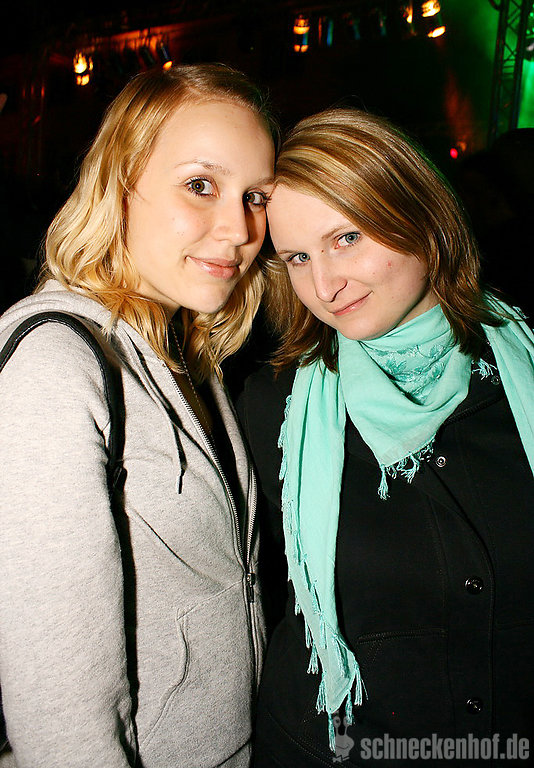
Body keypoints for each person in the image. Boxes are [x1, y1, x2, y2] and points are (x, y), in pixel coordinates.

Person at [0, 63, 276, 768]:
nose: (240, 229)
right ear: (118, 184)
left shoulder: (187, 350)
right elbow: (59, 709)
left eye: (256, 197)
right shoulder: (57, 365)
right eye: (200, 185)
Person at [238, 108, 534, 766]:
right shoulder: (273, 409)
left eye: (346, 238)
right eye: (298, 257)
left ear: (422, 216)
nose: (325, 285)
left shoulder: (524, 374)